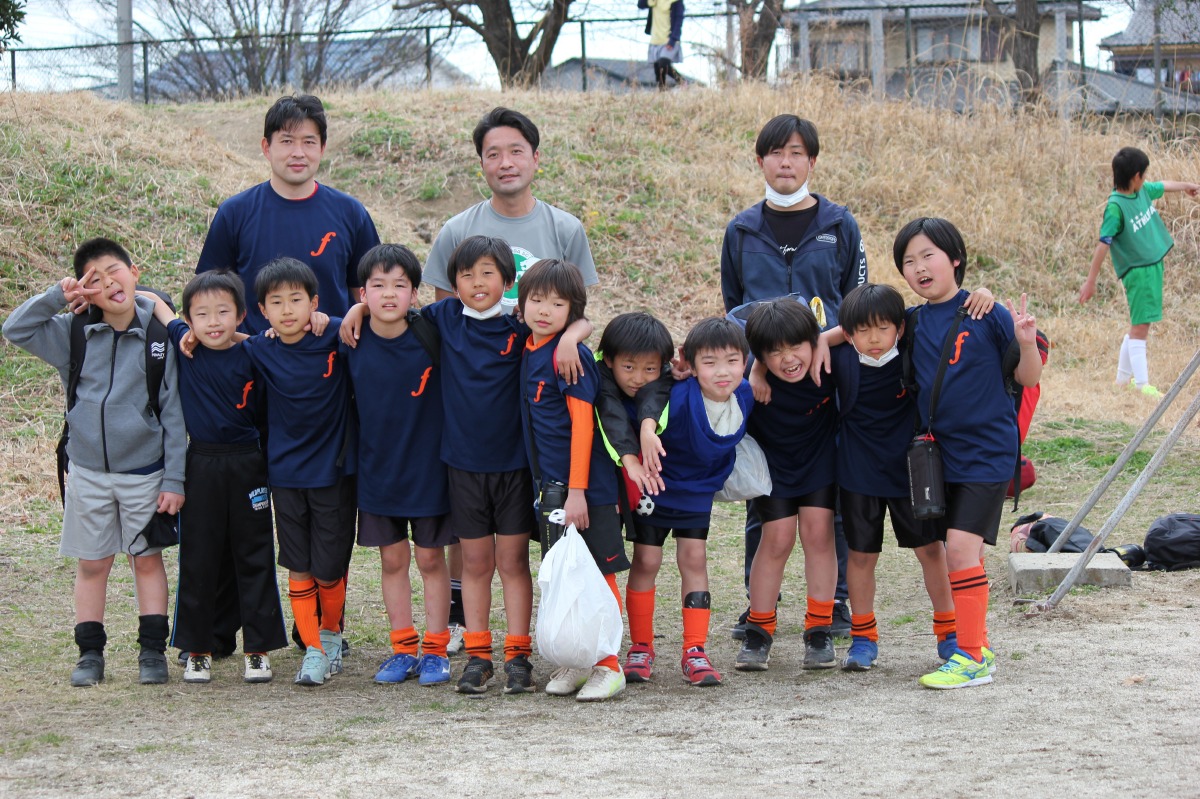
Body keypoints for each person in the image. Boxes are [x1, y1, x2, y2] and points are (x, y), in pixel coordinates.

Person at [342, 236, 590, 695]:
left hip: (514, 468)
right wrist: (356, 310)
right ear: (453, 282)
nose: (477, 283)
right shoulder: (442, 318)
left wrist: (575, 334)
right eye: (467, 275)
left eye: (488, 274)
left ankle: (517, 655)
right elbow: (391, 312)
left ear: (508, 281)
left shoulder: (521, 328)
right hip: (461, 468)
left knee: (512, 562)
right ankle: (479, 656)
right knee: (475, 563)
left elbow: (573, 319)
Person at [195, 93, 379, 659]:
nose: (297, 152)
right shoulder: (237, 212)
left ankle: (321, 633)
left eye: (309, 141)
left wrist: (348, 319)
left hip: (328, 386)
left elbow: (370, 291)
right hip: (255, 382)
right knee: (247, 514)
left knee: (327, 512)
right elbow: (210, 294)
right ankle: (220, 632)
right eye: (286, 141)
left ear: (322, 148)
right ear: (266, 146)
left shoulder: (348, 213)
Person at [422, 107, 600, 653]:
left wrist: (571, 337)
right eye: (493, 153)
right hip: (470, 417)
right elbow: (441, 315)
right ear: (481, 162)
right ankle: (462, 622)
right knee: (472, 540)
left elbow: (581, 310)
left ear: (535, 158)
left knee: (520, 548)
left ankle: (541, 638)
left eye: (516, 151)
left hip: (534, 409)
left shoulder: (564, 228)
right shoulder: (458, 229)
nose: (505, 162)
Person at [3, 237, 185, 686]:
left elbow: (175, 415)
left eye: (114, 270)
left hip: (145, 473)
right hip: (87, 472)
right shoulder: (74, 333)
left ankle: (152, 652)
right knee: (92, 564)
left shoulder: (160, 337)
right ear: (86, 290)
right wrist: (58, 296)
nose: (108, 283)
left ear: (134, 273)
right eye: (94, 279)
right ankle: (89, 654)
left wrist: (175, 480)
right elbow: (16, 329)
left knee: (146, 561)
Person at [719, 114, 867, 638]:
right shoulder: (741, 230)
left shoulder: (839, 224)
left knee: (828, 504)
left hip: (825, 372)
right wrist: (758, 362)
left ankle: (836, 602)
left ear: (812, 162)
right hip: (764, 382)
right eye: (777, 153)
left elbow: (858, 303)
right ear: (761, 161)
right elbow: (735, 309)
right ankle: (759, 605)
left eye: (797, 153)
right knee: (764, 490)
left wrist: (825, 342)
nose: (787, 162)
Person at [895, 217, 1042, 689]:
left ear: (955, 258)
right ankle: (976, 645)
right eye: (909, 261)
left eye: (928, 255)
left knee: (959, 549)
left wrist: (1025, 342)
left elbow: (1028, 378)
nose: (919, 268)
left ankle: (971, 657)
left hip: (987, 452)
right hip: (939, 457)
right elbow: (862, 330)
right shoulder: (913, 322)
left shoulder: (988, 312)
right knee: (959, 551)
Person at [142, 271, 288, 684]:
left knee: (255, 555)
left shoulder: (255, 352)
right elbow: (152, 299)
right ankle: (198, 649)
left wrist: (238, 338)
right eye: (201, 314)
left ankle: (257, 650)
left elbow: (277, 337)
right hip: (201, 465)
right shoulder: (184, 346)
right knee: (199, 558)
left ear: (241, 315)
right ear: (188, 320)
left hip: (248, 463)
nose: (213, 322)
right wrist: (112, 288)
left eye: (223, 312)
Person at [824, 283, 956, 672]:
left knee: (931, 550)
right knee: (861, 555)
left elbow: (943, 314)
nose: (874, 339)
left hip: (911, 471)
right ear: (848, 333)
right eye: (863, 330)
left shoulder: (914, 352)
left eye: (883, 328)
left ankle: (949, 632)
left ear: (899, 328)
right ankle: (863, 639)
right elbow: (803, 350)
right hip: (857, 472)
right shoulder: (839, 360)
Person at [617, 317, 753, 687]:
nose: (722, 372)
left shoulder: (745, 394)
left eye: (732, 361)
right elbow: (640, 400)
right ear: (689, 364)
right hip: (656, 485)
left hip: (696, 492)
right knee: (647, 560)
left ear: (745, 362)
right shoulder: (675, 396)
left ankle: (695, 649)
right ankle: (640, 647)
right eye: (709, 362)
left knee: (694, 559)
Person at [517, 259, 631, 702]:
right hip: (550, 486)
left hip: (586, 489)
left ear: (572, 310)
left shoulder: (572, 356)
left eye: (558, 304)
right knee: (564, 572)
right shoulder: (530, 346)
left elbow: (583, 426)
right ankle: (577, 660)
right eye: (536, 300)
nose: (545, 310)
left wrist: (578, 491)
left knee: (598, 572)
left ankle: (609, 665)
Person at [342, 244, 453, 687]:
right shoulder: (350, 339)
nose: (389, 294)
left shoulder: (432, 332)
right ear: (363, 292)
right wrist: (353, 312)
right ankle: (403, 648)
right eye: (378, 286)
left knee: (430, 559)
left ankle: (437, 649)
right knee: (392, 560)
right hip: (377, 470)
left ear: (415, 293)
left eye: (399, 285)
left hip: (428, 470)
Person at [241, 258, 355, 687]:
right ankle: (314, 650)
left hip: (333, 473)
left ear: (314, 303)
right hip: (285, 475)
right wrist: (190, 333)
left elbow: (369, 322)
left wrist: (347, 314)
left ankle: (331, 633)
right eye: (276, 302)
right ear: (262, 310)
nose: (287, 310)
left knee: (329, 568)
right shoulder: (262, 348)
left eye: (296, 300)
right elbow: (229, 339)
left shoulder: (335, 337)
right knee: (298, 564)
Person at [735, 299, 839, 672]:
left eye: (796, 346)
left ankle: (819, 630)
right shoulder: (750, 375)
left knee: (818, 533)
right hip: (773, 465)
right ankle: (758, 631)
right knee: (777, 538)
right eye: (775, 353)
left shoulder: (827, 361)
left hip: (818, 459)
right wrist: (756, 369)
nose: (788, 359)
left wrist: (823, 339)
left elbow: (858, 328)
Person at [1078, 146, 1199, 397]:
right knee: (1140, 327)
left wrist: (1187, 186)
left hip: (1151, 267)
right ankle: (1143, 385)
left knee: (1139, 325)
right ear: (1136, 176)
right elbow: (1103, 244)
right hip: (1139, 272)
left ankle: (1122, 381)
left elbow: (1163, 186)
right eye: (1144, 174)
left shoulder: (1141, 191)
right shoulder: (1115, 207)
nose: (1146, 179)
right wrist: (1090, 281)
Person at [642, 0, 685, 89]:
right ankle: (662, 91)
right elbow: (641, 4)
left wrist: (673, 39)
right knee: (657, 68)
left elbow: (678, 20)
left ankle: (682, 82)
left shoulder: (676, 2)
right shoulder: (653, 1)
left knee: (663, 63)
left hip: (669, 39)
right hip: (655, 40)